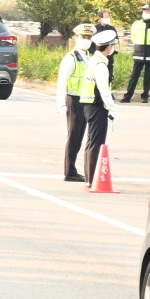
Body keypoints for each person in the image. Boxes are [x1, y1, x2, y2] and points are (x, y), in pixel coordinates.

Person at [74, 29, 118, 182]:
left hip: (89, 105)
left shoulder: (93, 60)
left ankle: (89, 177)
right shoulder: (100, 64)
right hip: (97, 106)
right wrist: (112, 107)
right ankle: (92, 178)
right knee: (96, 143)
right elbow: (103, 89)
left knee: (91, 142)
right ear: (109, 47)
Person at [58, 24, 96, 182]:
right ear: (76, 38)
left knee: (79, 136)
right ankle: (69, 172)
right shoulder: (71, 57)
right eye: (83, 37)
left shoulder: (88, 57)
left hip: (85, 101)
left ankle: (72, 169)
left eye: (89, 37)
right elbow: (62, 81)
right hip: (74, 100)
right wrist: (61, 103)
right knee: (74, 137)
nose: (86, 40)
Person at [122, 5, 150, 103]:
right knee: (134, 76)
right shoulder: (136, 24)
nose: (146, 13)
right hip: (139, 53)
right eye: (144, 11)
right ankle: (128, 96)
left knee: (148, 77)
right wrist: (138, 47)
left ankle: (145, 96)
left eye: (148, 11)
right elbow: (133, 37)